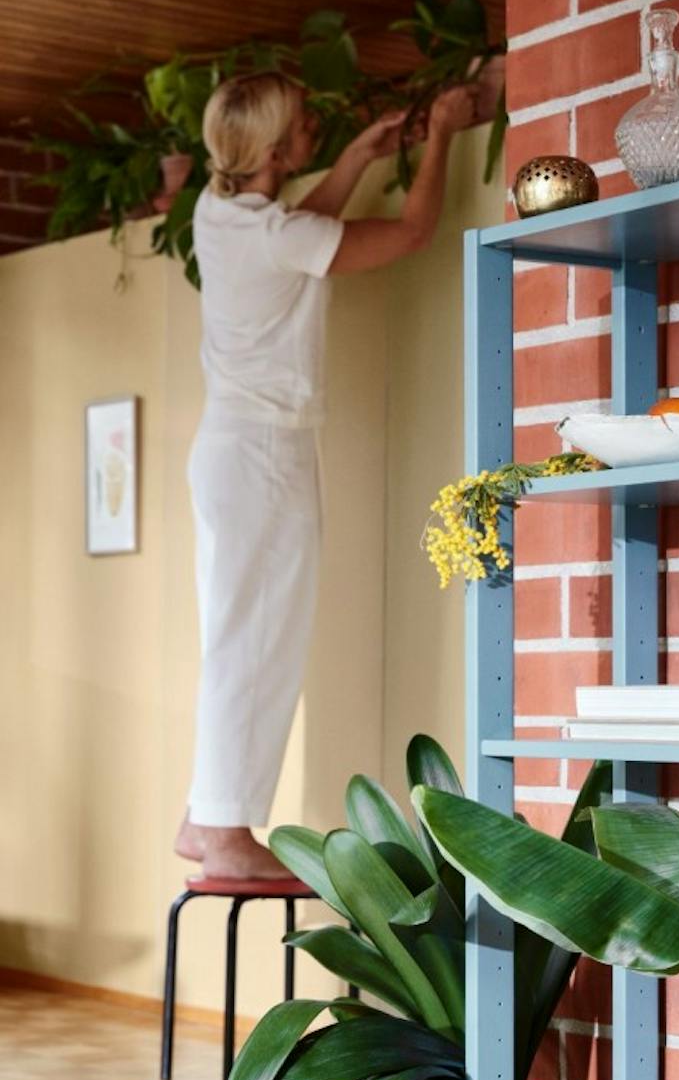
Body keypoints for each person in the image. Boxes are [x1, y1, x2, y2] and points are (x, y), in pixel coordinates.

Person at [175, 71, 476, 879]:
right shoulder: (276, 235)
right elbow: (411, 233)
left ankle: (207, 818)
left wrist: (350, 160)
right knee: (260, 641)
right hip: (265, 458)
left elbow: (296, 225)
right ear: (275, 152)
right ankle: (228, 836)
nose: (316, 122)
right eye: (307, 124)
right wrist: (442, 132)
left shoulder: (219, 212)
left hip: (231, 453)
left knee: (237, 637)